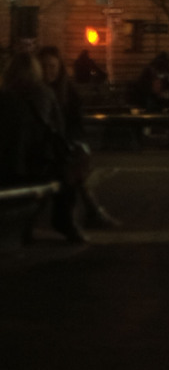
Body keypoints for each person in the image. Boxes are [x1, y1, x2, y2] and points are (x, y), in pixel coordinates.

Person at [4, 53, 83, 243]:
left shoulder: (3, 95)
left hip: (7, 165)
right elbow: (58, 128)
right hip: (35, 165)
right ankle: (64, 221)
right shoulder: (44, 93)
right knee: (68, 175)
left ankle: (29, 227)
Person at [39, 46, 119, 230]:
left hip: (61, 145)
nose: (48, 71)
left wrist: (73, 141)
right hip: (46, 147)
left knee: (73, 164)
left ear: (59, 67)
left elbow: (75, 123)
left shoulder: (67, 92)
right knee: (72, 168)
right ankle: (90, 212)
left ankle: (81, 215)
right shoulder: (39, 92)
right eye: (44, 66)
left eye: (52, 66)